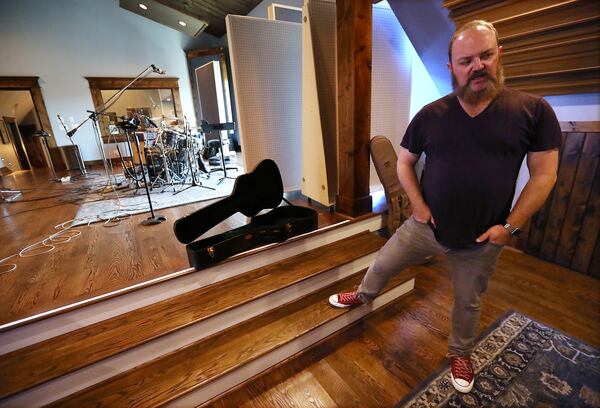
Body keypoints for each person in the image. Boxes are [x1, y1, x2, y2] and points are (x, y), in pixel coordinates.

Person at [329, 19, 561, 394]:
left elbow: (544, 175)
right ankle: (363, 296)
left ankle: (461, 353)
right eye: (466, 60)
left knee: (467, 303)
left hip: (482, 238)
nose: (477, 66)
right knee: (383, 261)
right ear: (451, 68)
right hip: (426, 227)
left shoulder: (532, 111)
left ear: (499, 55)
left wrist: (511, 227)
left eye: (485, 55)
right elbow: (404, 162)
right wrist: (418, 206)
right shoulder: (431, 114)